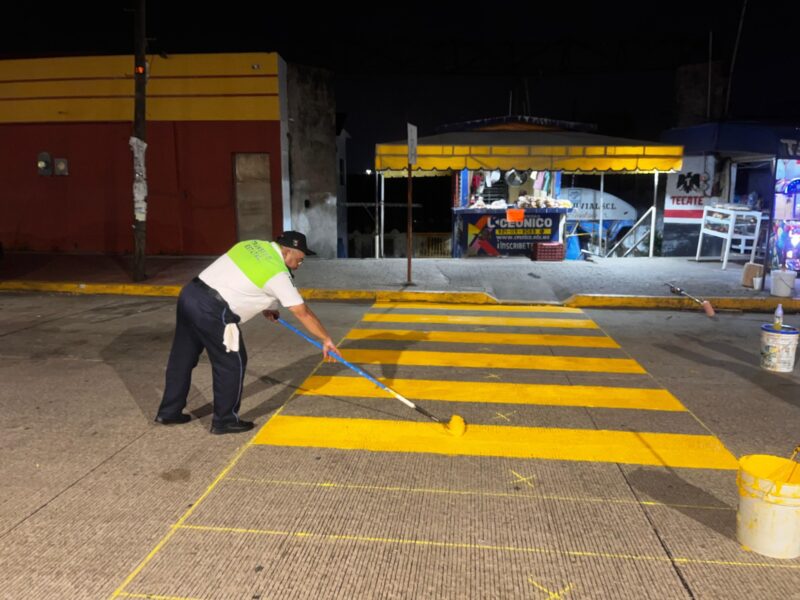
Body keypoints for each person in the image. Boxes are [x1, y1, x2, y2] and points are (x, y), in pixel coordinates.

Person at [154, 231, 338, 434]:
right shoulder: (278, 273)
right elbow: (302, 312)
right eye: (300, 260)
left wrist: (268, 306)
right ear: (287, 252)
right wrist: (325, 339)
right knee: (232, 363)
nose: (299, 265)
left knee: (182, 358)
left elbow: (242, 278)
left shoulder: (252, 245)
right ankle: (225, 421)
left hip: (190, 294)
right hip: (214, 311)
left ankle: (169, 412)